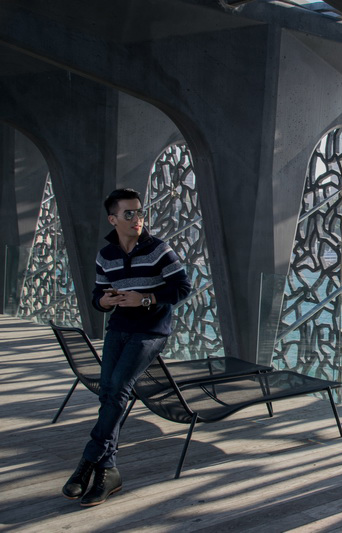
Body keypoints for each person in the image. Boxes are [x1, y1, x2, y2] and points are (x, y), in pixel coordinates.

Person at [61, 188, 191, 506]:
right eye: (129, 213)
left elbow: (183, 287)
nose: (137, 218)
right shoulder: (105, 256)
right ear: (113, 219)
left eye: (140, 212)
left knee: (118, 387)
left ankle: (88, 462)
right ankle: (108, 471)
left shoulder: (159, 249)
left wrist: (145, 299)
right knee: (109, 392)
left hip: (151, 331)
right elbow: (98, 294)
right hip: (118, 328)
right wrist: (104, 302)